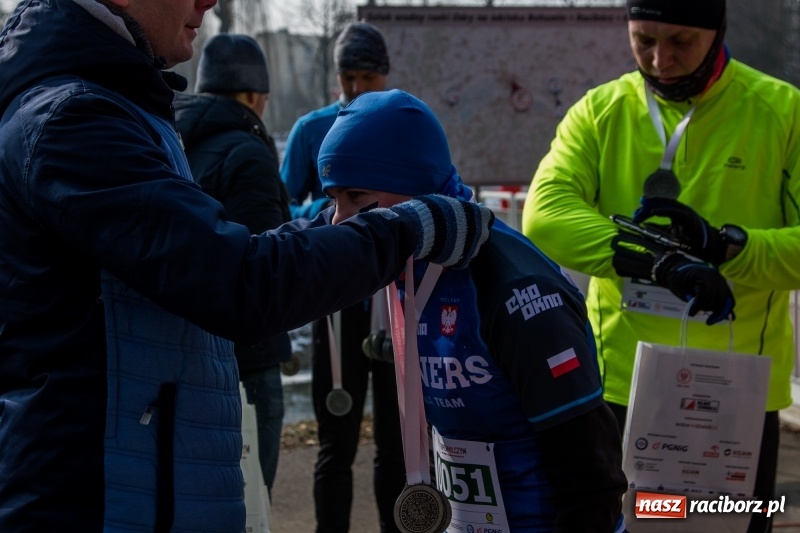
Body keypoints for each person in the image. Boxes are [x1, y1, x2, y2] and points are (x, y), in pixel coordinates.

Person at [0, 0, 495, 529]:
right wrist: (403, 228)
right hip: (105, 499)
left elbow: (223, 251)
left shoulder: (115, 106)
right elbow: (236, 279)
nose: (208, 1)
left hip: (138, 485)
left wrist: (335, 227)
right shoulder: (72, 120)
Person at [522, 0, 800, 531]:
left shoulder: (782, 111)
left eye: (679, 41)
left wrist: (727, 248)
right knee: (637, 523)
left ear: (716, 31)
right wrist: (660, 262)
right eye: (643, 39)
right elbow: (546, 215)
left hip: (739, 390)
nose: (659, 59)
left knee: (725, 525)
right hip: (625, 387)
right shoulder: (602, 109)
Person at [319, 88, 628, 532]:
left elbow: (591, 475)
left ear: (416, 187)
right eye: (333, 199)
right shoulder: (409, 268)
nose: (338, 220)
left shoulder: (513, 287)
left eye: (355, 194)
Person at [282, 21, 405, 533]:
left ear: (385, 75)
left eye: (365, 78)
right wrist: (327, 207)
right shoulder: (312, 128)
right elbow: (283, 203)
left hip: (396, 301)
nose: (354, 88)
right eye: (346, 77)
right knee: (337, 441)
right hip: (336, 310)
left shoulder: (402, 121)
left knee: (399, 442)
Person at [173, 33, 291, 498]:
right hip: (250, 359)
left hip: (188, 352)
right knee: (251, 497)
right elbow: (267, 266)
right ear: (253, 95)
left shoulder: (174, 139)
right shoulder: (248, 154)